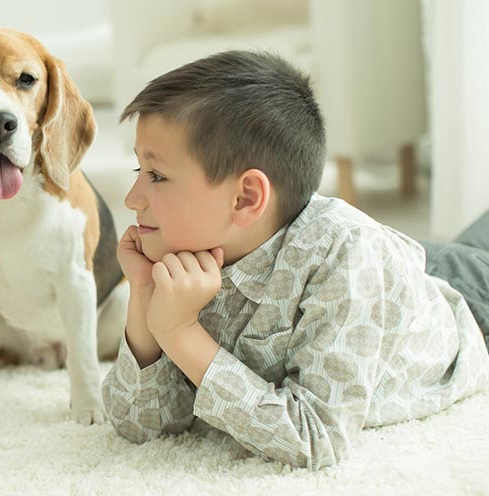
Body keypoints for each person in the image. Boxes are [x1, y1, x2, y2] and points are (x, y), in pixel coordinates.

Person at [101, 50, 489, 470]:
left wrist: (180, 333)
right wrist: (144, 294)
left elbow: (316, 438)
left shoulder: (347, 254)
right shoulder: (183, 253)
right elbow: (139, 427)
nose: (131, 199)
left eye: (156, 176)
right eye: (139, 170)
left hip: (470, 300)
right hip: (391, 276)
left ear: (246, 198)